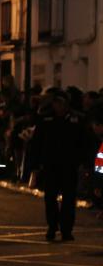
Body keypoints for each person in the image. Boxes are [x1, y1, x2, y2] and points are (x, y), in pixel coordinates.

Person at [32, 91, 87, 241]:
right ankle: (52, 226)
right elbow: (37, 142)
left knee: (69, 199)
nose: (58, 106)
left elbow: (83, 143)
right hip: (50, 165)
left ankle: (66, 229)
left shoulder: (77, 119)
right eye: (56, 103)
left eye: (61, 103)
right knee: (50, 198)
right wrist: (36, 164)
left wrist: (82, 163)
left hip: (69, 165)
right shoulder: (46, 119)